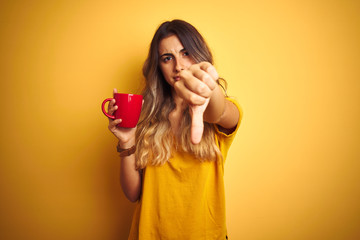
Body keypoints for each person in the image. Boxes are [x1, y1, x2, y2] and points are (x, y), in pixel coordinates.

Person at [107, 19, 242, 240]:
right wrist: (126, 140)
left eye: (186, 53)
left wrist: (208, 91)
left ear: (199, 55)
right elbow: (133, 194)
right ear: (158, 66)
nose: (178, 66)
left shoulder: (224, 112)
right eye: (167, 58)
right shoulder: (145, 115)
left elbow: (217, 112)